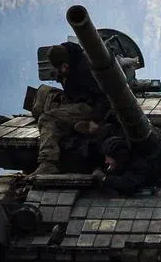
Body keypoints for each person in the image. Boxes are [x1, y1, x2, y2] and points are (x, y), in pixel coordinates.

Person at [33, 42, 110, 176]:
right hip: (75, 101)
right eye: (59, 68)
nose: (62, 70)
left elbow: (105, 97)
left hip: (88, 106)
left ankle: (48, 162)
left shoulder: (87, 69)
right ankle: (74, 125)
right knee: (45, 95)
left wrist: (96, 120)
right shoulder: (69, 62)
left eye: (63, 67)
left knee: (47, 118)